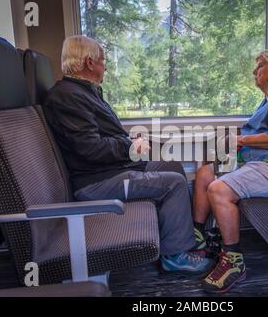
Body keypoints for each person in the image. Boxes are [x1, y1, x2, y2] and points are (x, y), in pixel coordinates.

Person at [43, 35, 213, 275]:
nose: (106, 66)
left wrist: (130, 143)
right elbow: (89, 148)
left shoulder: (86, 92)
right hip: (96, 182)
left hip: (112, 169)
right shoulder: (68, 96)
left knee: (172, 166)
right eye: (103, 60)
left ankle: (176, 237)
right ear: (89, 62)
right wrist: (129, 147)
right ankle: (174, 256)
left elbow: (100, 136)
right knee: (174, 183)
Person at [192, 49, 268, 293]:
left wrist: (239, 141)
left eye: (260, 66)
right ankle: (199, 239)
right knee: (205, 169)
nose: (254, 71)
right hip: (260, 162)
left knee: (219, 190)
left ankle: (233, 262)